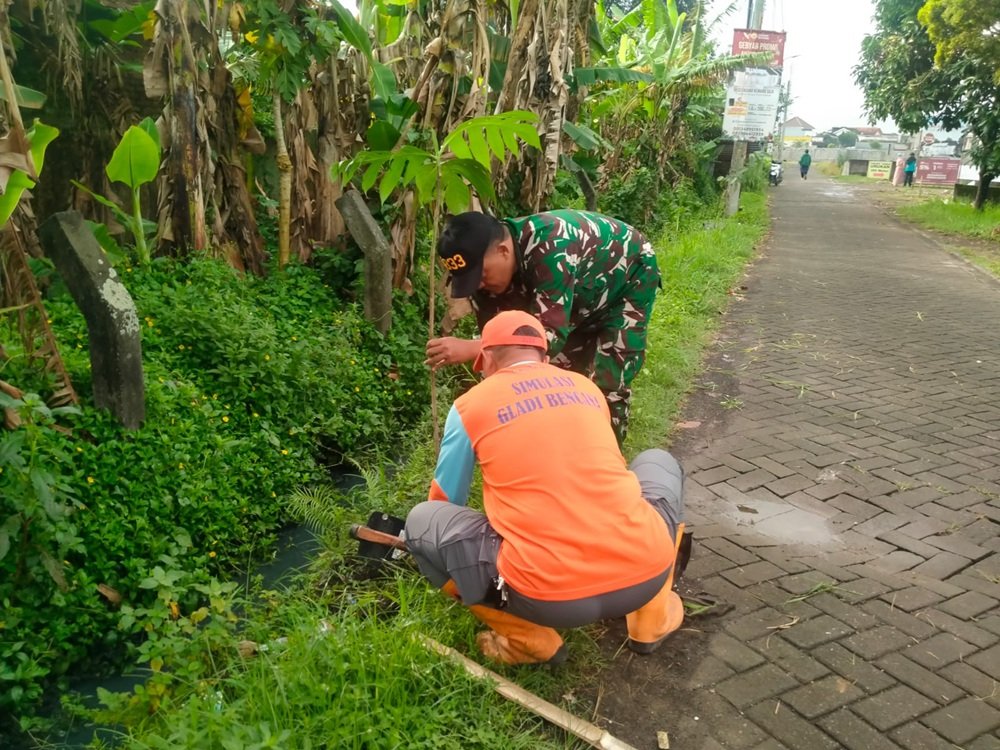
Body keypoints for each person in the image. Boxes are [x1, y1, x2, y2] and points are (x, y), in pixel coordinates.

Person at [406, 310, 686, 666]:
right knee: (658, 461)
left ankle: (528, 640)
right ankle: (650, 620)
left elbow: (447, 501)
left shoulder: (470, 405)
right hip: (646, 571)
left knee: (423, 522)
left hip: (546, 597)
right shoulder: (587, 388)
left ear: (488, 358)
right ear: (544, 357)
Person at [426, 210, 660, 445]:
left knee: (607, 385)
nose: (478, 285)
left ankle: (605, 464)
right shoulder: (484, 279)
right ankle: (556, 453)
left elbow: (546, 337)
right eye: (469, 279)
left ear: (504, 251)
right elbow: (501, 356)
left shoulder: (551, 244)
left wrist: (472, 348)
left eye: (481, 275)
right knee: (557, 380)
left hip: (626, 281)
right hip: (575, 301)